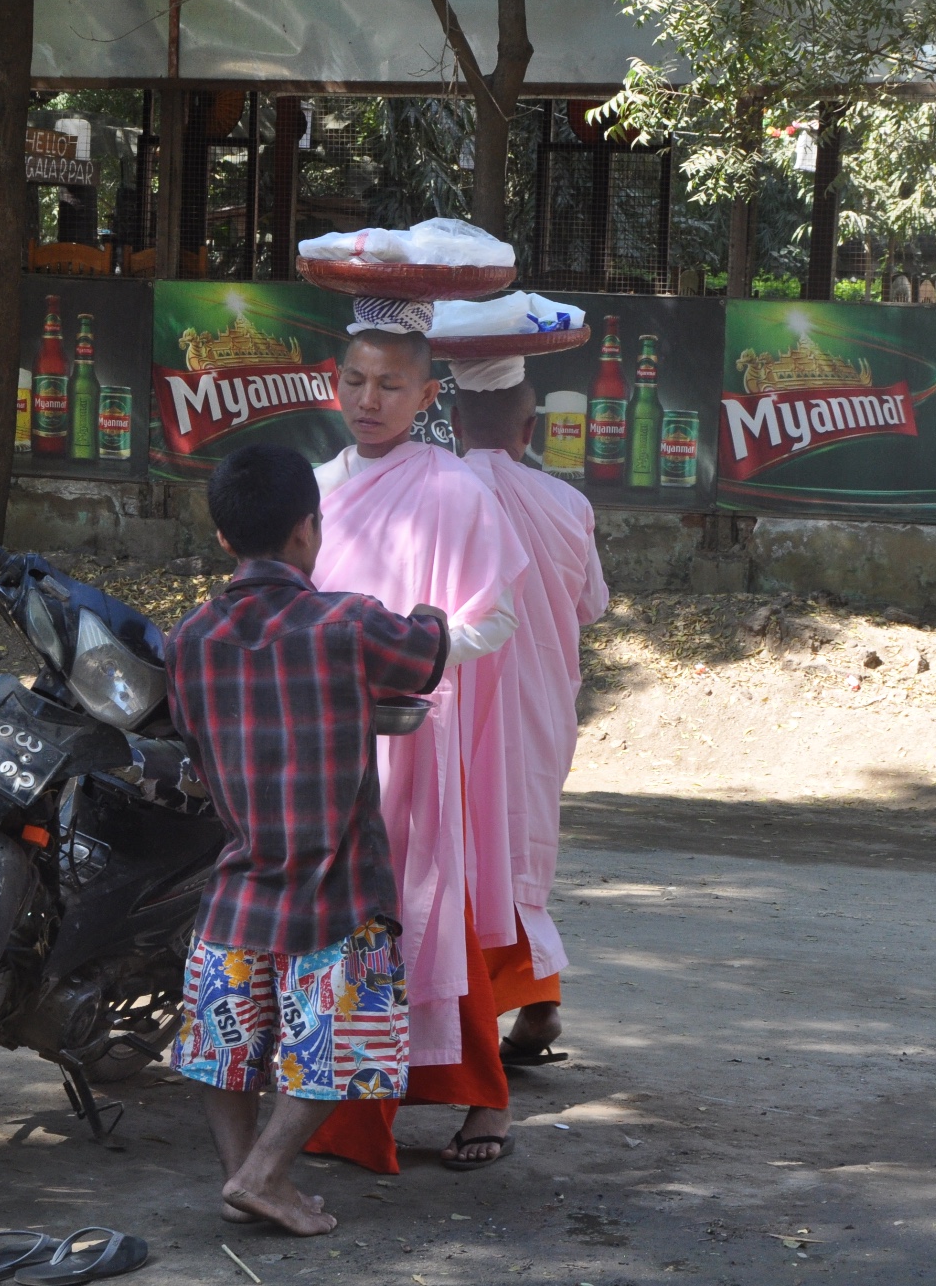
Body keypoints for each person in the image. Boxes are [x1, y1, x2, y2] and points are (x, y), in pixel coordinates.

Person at [165, 443, 448, 1236]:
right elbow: (424, 660)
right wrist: (427, 610)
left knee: (222, 1050)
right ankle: (263, 1174)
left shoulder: (188, 638)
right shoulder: (349, 621)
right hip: (338, 886)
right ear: (306, 532)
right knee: (346, 1047)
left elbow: (186, 735)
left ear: (225, 539)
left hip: (238, 885)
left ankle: (245, 1179)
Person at [302, 313, 531, 1174]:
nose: (370, 399)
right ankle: (342, 1112)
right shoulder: (316, 486)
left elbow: (495, 618)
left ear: (428, 396)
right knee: (334, 927)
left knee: (422, 918)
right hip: (323, 737)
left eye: (392, 385)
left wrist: (415, 652)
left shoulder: (454, 490)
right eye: (356, 381)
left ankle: (485, 1097)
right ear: (334, 381)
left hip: (408, 732)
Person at [452, 357, 609, 1067]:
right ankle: (536, 997)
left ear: (449, 423)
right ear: (527, 427)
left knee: (462, 855)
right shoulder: (568, 504)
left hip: (454, 710)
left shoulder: (436, 494)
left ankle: (479, 1022)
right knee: (520, 850)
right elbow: (591, 606)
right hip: (541, 710)